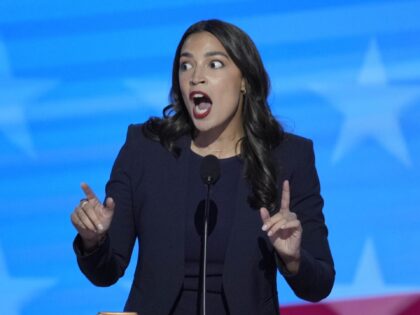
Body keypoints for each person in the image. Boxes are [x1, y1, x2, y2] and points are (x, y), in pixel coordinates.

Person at [71, 19, 335, 315]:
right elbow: (105, 273)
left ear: (245, 80)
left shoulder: (289, 156)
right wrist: (93, 240)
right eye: (186, 66)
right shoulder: (145, 148)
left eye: (215, 65)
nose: (196, 77)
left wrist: (294, 258)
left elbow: (320, 284)